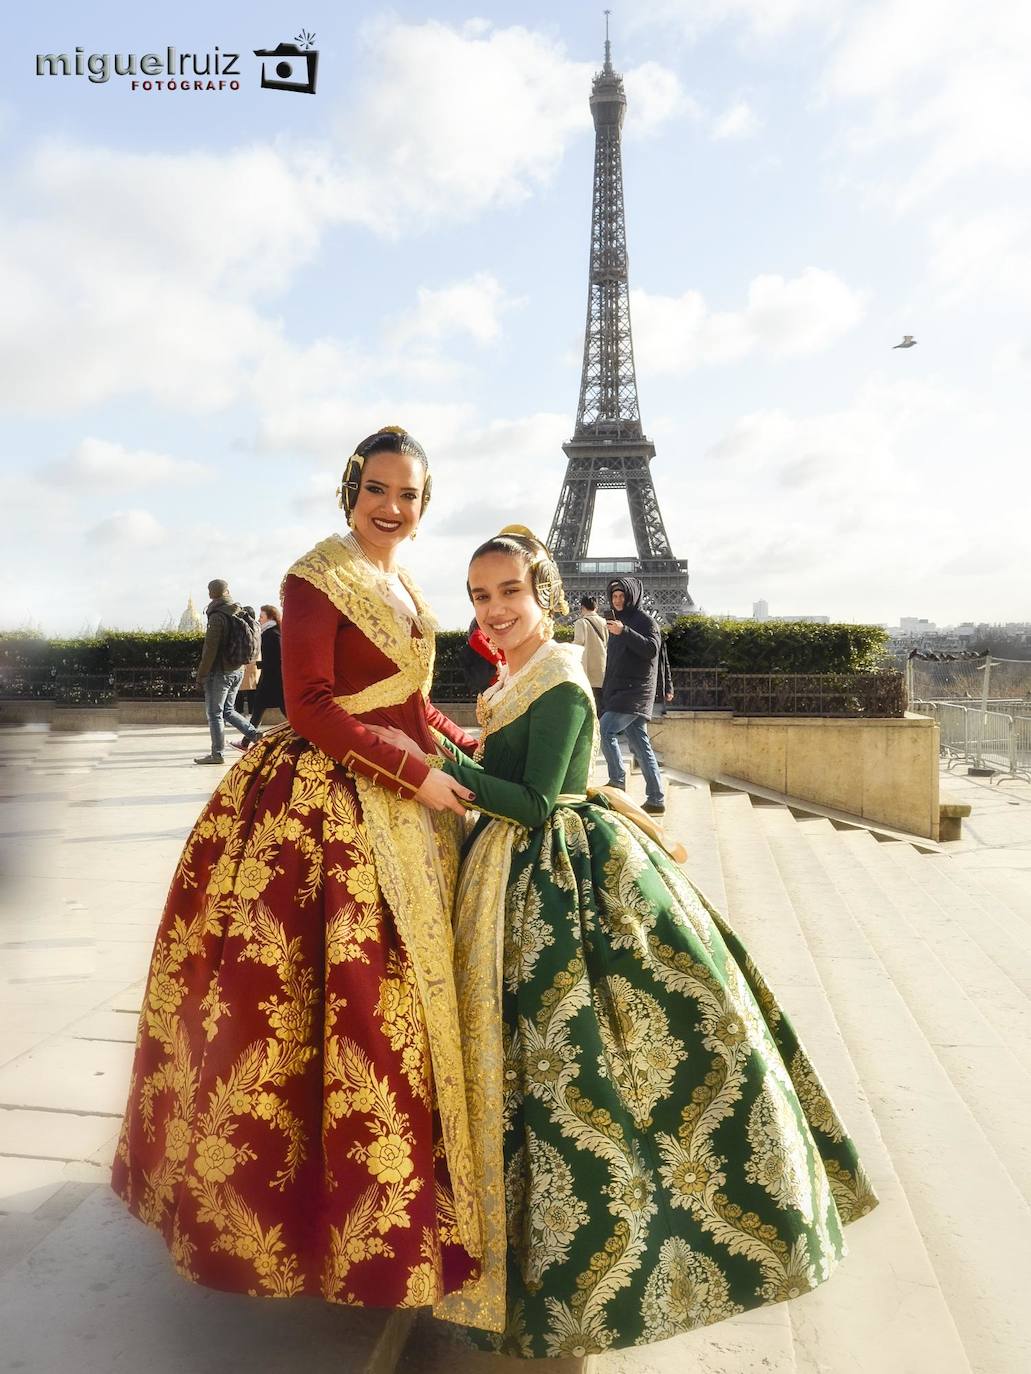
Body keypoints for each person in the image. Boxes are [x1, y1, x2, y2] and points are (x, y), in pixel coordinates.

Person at [371, 526, 877, 1359]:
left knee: (562, 1063)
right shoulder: (525, 671)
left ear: (545, 594)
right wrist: (440, 734)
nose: (492, 611)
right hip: (518, 865)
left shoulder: (561, 680)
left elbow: (534, 802)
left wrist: (432, 763)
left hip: (545, 870)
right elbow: (506, 756)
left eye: (507, 592)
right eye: (478, 595)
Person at [113, 426, 485, 1312]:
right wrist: (418, 774)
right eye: (379, 490)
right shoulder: (312, 577)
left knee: (386, 1010)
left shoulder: (399, 581)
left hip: (407, 802)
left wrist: (468, 742)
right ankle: (305, 1227)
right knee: (317, 1008)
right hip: (328, 810)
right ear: (349, 488)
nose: (394, 508)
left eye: (410, 495)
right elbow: (309, 707)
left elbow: (407, 697)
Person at [598, 577, 666, 814]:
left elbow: (652, 649)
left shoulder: (644, 621)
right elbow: (614, 661)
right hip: (622, 690)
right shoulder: (618, 621)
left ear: (631, 596)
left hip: (635, 691)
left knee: (604, 730)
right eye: (614, 597)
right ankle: (656, 799)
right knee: (640, 745)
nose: (617, 601)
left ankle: (617, 781)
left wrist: (624, 631)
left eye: (621, 597)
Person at [193, 580, 262, 765]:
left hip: (220, 672)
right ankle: (255, 735)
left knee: (215, 713)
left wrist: (201, 676)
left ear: (210, 594)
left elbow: (210, 650)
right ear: (228, 591)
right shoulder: (239, 611)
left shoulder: (217, 616)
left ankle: (217, 754)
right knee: (228, 710)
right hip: (237, 670)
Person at [231, 603, 284, 750]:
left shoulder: (270, 635)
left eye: (262, 617)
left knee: (264, 710)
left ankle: (245, 742)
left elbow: (276, 659)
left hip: (271, 680)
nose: (259, 620)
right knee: (258, 711)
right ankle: (245, 742)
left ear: (270, 617)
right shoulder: (273, 633)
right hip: (273, 679)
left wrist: (260, 665)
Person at [572, 593, 608, 713]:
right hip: (602, 666)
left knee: (588, 703)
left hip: (588, 667)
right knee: (601, 703)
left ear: (582, 608)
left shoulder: (580, 623)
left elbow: (578, 642)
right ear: (596, 608)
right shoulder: (605, 622)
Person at [236, 607, 261, 714]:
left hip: (245, 661)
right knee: (252, 690)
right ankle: (252, 713)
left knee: (238, 691)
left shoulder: (245, 627)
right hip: (256, 661)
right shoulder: (258, 626)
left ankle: (240, 713)